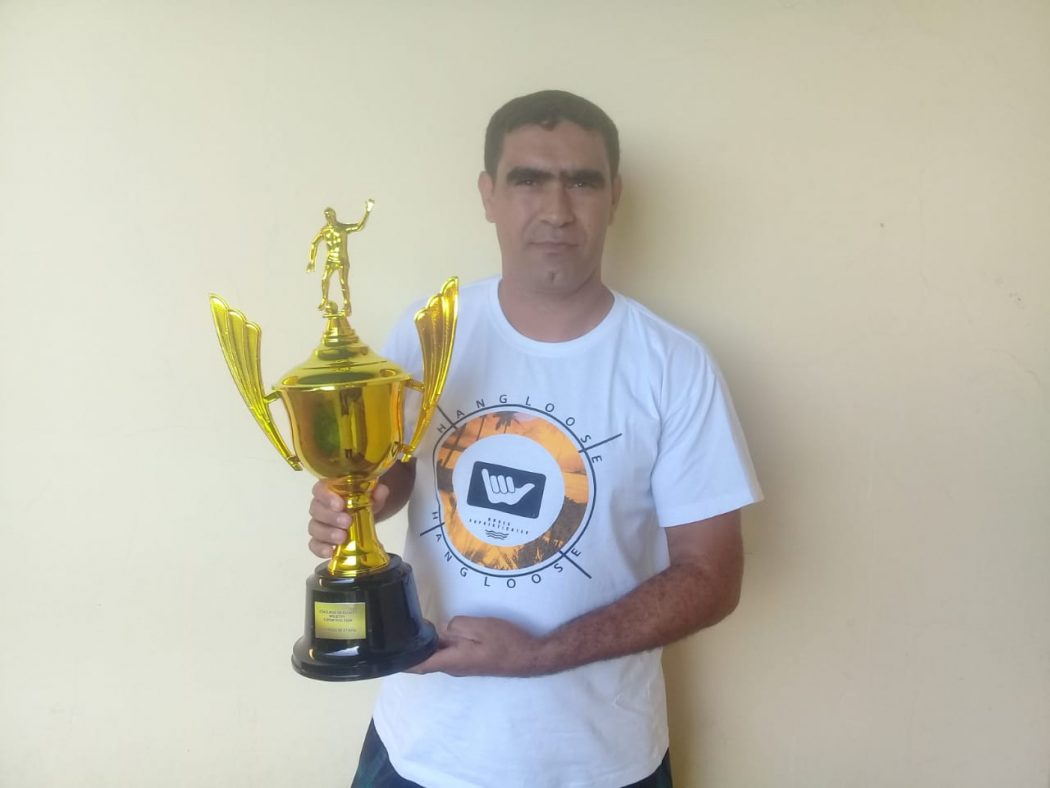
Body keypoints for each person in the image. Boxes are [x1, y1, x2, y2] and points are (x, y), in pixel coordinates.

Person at [307, 89, 762, 788]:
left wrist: (540, 654)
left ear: (614, 196)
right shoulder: (430, 333)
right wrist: (354, 500)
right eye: (528, 180)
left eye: (581, 181)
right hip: (424, 748)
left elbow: (712, 577)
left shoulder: (673, 365)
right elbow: (394, 472)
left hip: (601, 761)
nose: (556, 209)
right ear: (488, 194)